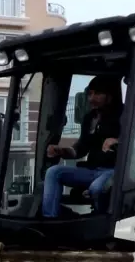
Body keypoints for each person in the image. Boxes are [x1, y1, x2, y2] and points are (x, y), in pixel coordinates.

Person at [41, 75, 123, 218]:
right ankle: (49, 221)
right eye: (90, 94)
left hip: (115, 172)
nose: (91, 98)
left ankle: (102, 224)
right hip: (91, 171)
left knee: (97, 188)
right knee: (53, 172)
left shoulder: (125, 114)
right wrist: (61, 150)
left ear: (109, 96)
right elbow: (81, 148)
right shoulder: (89, 118)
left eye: (97, 94)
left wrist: (118, 141)